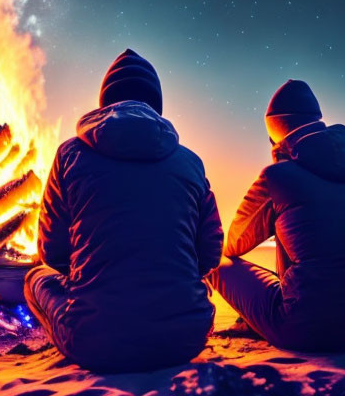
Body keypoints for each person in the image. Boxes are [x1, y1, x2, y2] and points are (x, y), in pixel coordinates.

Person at [24, 49, 223, 373]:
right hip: (185, 340)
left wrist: (88, 270)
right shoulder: (191, 162)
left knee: (34, 277)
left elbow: (51, 250)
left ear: (105, 103)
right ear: (155, 106)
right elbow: (210, 254)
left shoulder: (70, 154)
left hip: (95, 343)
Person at [210, 79, 345, 352]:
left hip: (304, 331)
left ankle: (246, 320)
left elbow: (234, 244)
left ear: (276, 134)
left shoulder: (277, 177)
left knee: (215, 259)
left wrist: (280, 175)